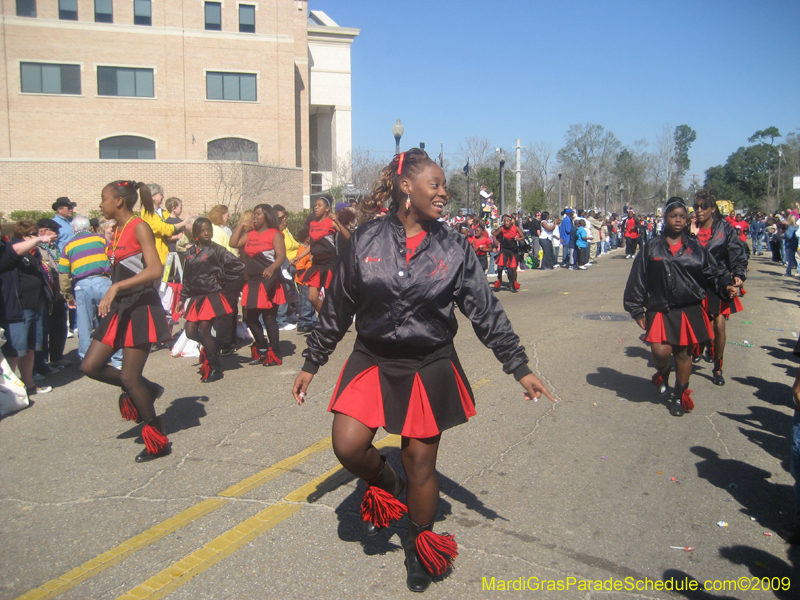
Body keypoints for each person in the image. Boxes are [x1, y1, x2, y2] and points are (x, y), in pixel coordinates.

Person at [291, 148, 555, 592]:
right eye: (435, 183)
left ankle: (420, 545)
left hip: (427, 362)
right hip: (372, 356)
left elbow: (485, 311)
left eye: (444, 185)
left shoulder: (454, 247)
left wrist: (519, 366)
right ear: (406, 187)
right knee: (348, 445)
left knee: (420, 462)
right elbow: (338, 306)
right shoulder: (365, 239)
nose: (444, 192)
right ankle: (385, 481)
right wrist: (312, 360)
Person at [81, 180, 173, 463]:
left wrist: (116, 287)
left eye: (104, 198)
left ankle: (157, 439)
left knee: (129, 377)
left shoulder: (139, 226)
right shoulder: (118, 230)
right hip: (121, 307)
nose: (101, 204)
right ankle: (150, 388)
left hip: (141, 307)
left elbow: (155, 269)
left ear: (119, 201)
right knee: (91, 365)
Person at [623, 198, 735, 417]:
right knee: (660, 352)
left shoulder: (696, 248)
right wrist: (636, 309)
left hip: (687, 308)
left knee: (683, 355)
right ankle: (662, 373)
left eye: (682, 217)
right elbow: (637, 278)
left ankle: (679, 395)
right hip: (659, 307)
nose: (678, 220)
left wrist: (727, 286)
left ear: (687, 220)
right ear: (665, 218)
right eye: (673, 216)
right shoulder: (651, 246)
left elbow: (713, 273)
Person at [690, 192, 748, 385]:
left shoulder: (725, 230)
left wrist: (738, 275)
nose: (699, 210)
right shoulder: (690, 229)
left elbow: (737, 253)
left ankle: (717, 367)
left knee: (719, 326)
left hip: (719, 281)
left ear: (712, 209)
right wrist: (691, 235)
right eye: (696, 206)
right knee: (698, 324)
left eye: (704, 206)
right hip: (695, 283)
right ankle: (702, 345)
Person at [177, 218, 244, 382]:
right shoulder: (191, 252)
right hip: (196, 296)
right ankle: (214, 346)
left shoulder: (216, 250)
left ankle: (216, 368)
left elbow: (237, 265)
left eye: (209, 230)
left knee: (205, 330)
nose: (207, 233)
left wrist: (221, 279)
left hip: (211, 295)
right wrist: (182, 298)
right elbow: (187, 278)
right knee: (191, 332)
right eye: (203, 230)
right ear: (196, 234)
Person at [0, 221, 55, 395]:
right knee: (15, 351)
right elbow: (14, 252)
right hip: (17, 309)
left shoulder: (9, 245)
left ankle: (29, 384)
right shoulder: (8, 249)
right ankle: (11, 390)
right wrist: (39, 238)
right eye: (30, 233)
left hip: (36, 305)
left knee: (31, 348)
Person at [57, 215, 119, 366]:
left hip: (82, 285)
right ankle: (118, 358)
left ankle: (86, 360)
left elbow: (64, 273)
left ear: (73, 229)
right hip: (103, 281)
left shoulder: (68, 245)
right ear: (89, 227)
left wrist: (67, 294)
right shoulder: (100, 239)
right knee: (110, 320)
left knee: (84, 325)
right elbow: (113, 258)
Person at [230, 204, 286, 366]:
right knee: (249, 317)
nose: (255, 217)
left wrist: (272, 267)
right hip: (252, 281)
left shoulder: (275, 234)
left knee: (269, 317)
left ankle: (275, 352)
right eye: (254, 214)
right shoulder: (250, 234)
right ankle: (261, 346)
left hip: (268, 280)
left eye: (258, 214)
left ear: (267, 216)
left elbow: (281, 256)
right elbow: (233, 243)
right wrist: (240, 225)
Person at [290, 195, 351, 313]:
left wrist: (338, 222)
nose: (316, 208)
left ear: (327, 208)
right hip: (317, 264)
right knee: (312, 297)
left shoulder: (331, 222)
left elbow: (348, 237)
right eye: (315, 205)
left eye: (319, 205)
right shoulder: (312, 224)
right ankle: (326, 318)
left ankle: (333, 320)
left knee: (331, 297)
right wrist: (298, 257)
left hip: (330, 264)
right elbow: (312, 246)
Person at [493, 214, 525, 292]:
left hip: (513, 250)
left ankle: (513, 284)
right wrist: (496, 241)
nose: (506, 223)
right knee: (500, 267)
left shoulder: (516, 228)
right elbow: (494, 235)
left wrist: (518, 239)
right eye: (505, 221)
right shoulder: (502, 229)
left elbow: (523, 237)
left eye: (507, 221)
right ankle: (499, 282)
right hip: (504, 250)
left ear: (511, 222)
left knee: (513, 268)